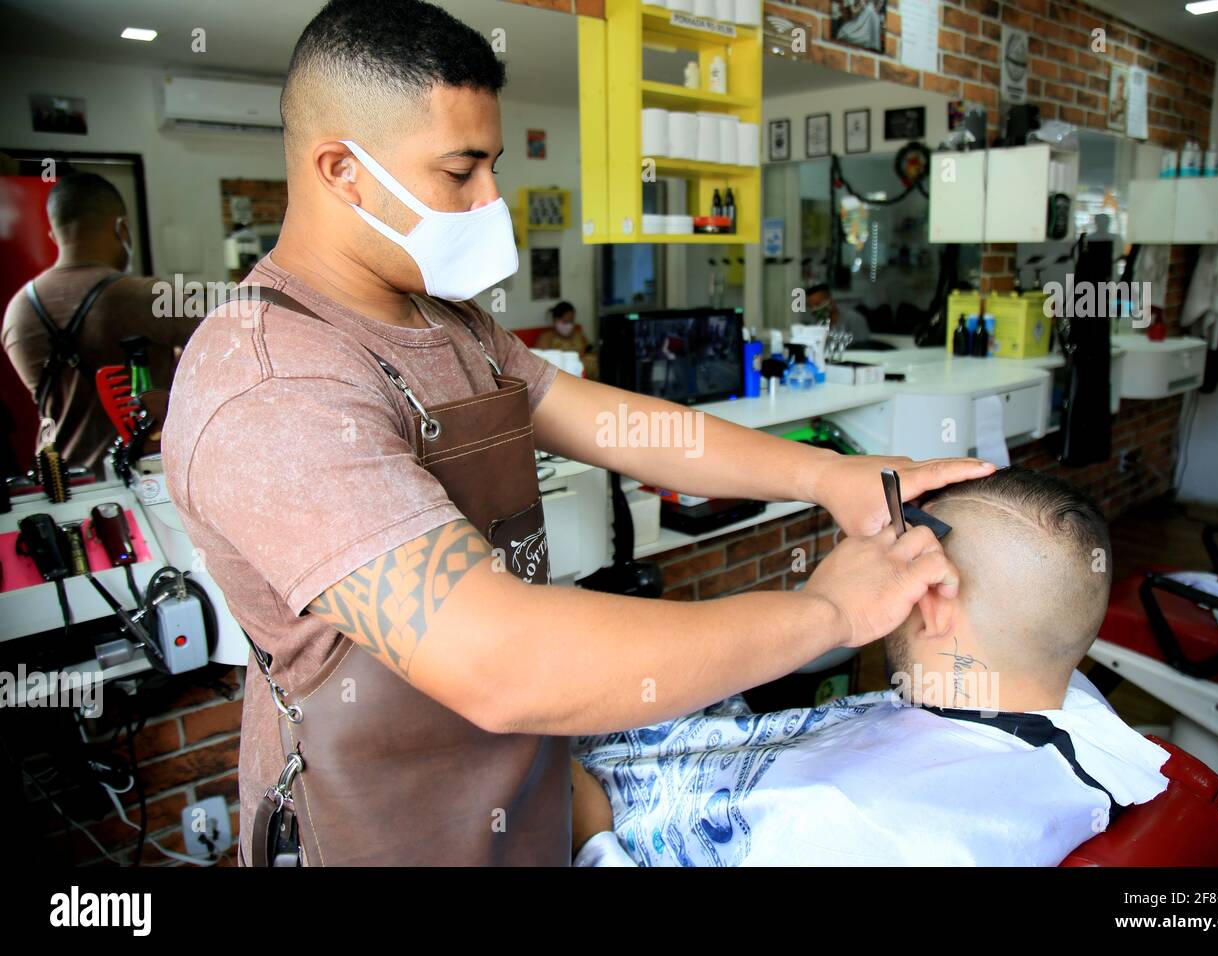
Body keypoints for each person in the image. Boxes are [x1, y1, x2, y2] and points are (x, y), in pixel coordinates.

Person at [162, 0, 991, 867]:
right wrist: (826, 612)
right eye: (461, 171)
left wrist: (826, 476)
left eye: (494, 165)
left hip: (520, 789)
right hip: (386, 829)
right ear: (342, 169)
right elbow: (500, 660)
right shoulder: (273, 386)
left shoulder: (450, 324)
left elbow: (618, 423)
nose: (492, 200)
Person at [571, 468, 1171, 866]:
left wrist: (589, 833)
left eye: (898, 553)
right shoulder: (1067, 697)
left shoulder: (852, 825)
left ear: (933, 597)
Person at [2, 172, 199, 470]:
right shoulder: (150, 296)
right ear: (122, 228)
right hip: (142, 475)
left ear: (54, 236)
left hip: (60, 479)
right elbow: (227, 353)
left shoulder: (17, 310)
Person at [534, 300, 596, 377]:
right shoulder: (546, 337)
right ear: (555, 320)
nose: (567, 324)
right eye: (564, 321)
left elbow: (590, 351)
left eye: (570, 321)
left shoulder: (578, 335)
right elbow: (541, 363)